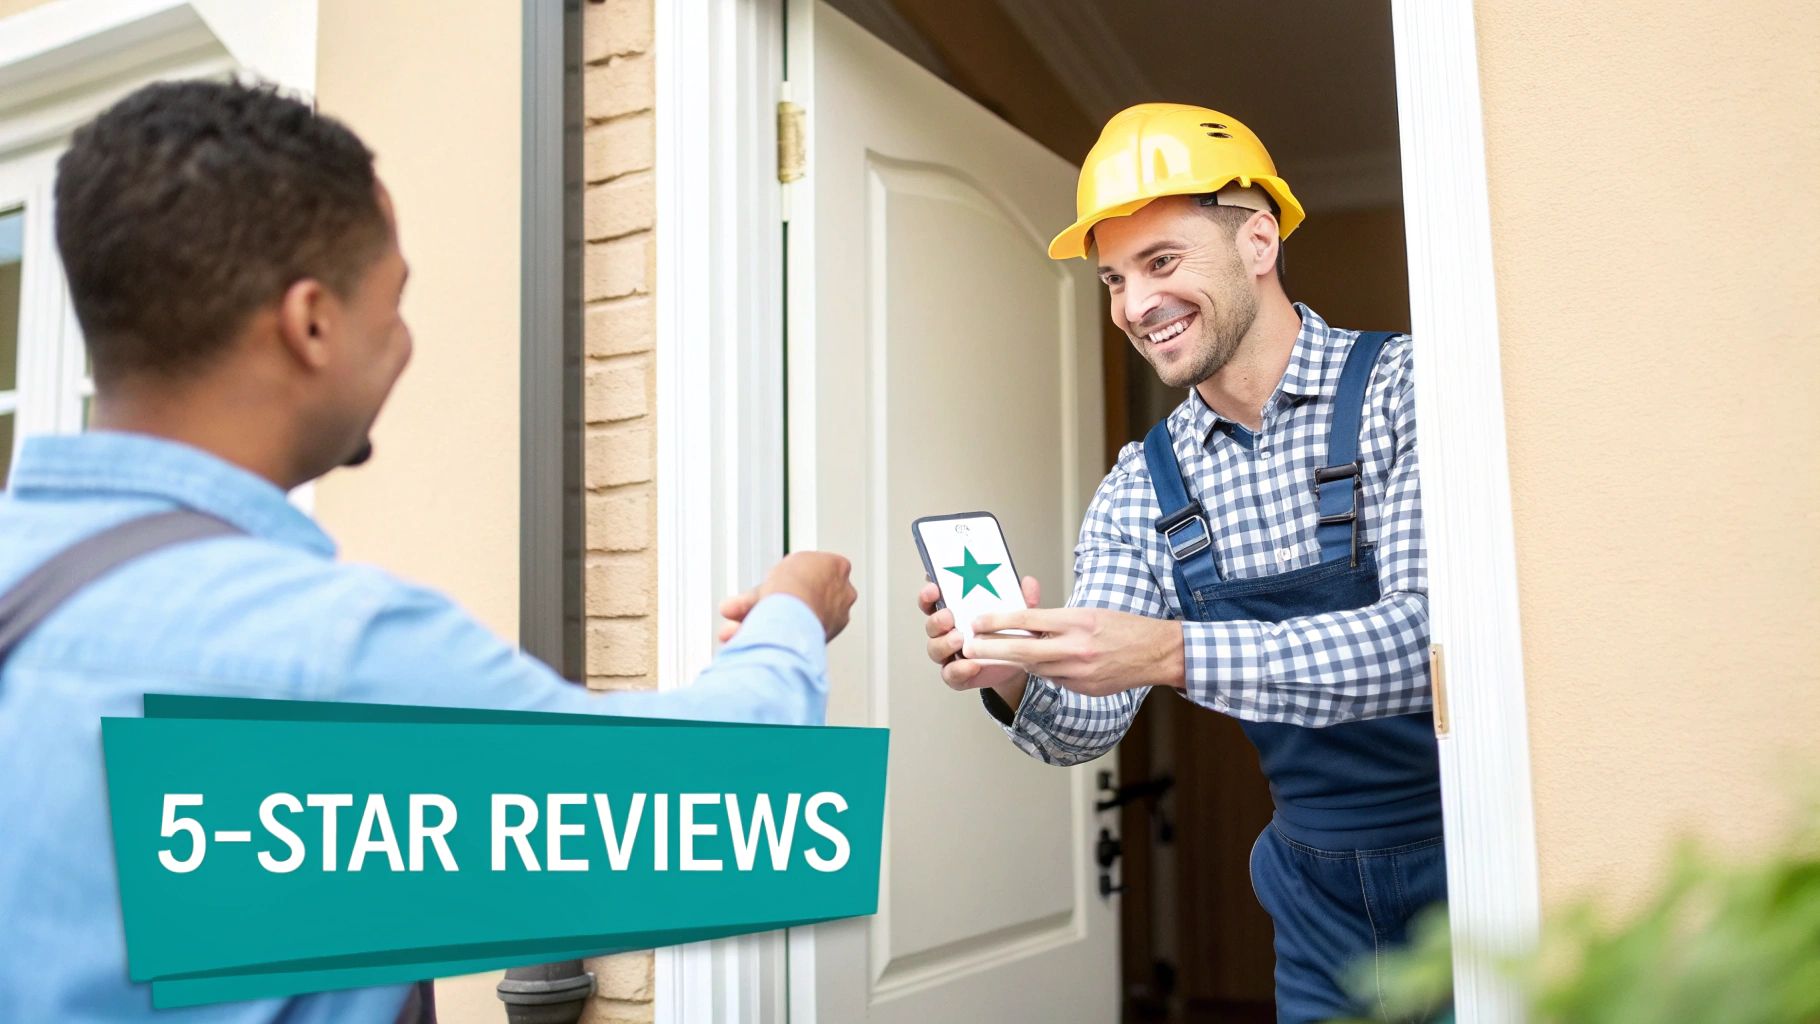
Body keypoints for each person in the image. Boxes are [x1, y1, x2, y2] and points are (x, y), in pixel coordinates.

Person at [0, 79, 856, 1022]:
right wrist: (792, 609)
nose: (403, 341)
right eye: (393, 301)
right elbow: (726, 802)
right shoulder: (325, 657)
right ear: (312, 323)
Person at [917, 103, 1444, 1023]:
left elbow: (1423, 644)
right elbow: (1089, 727)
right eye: (1114, 279)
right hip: (1316, 903)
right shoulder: (1141, 485)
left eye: (1161, 262)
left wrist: (1172, 652)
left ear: (1258, 241)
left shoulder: (1406, 390)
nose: (1133, 305)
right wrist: (1014, 676)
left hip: (1471, 867)